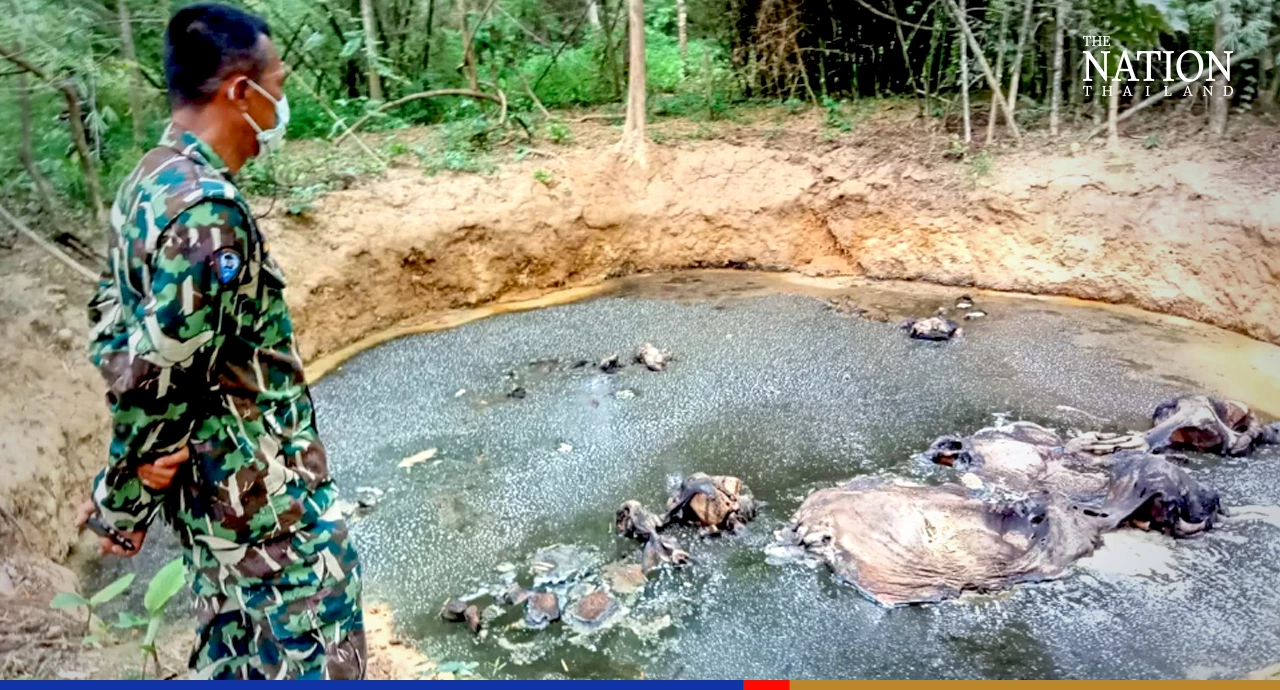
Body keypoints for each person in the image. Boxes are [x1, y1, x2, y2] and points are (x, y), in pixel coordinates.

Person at [78, 2, 365, 679]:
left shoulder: (148, 183)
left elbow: (112, 329)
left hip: (218, 523)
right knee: (313, 657)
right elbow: (160, 376)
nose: (281, 103)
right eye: (278, 84)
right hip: (269, 525)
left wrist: (139, 472)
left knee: (236, 658)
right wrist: (125, 491)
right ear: (240, 91)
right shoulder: (208, 215)